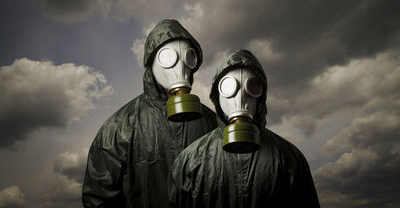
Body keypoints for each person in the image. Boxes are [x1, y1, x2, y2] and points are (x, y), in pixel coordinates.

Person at [82, 19, 217, 207]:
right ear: (151, 62)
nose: (179, 67)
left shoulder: (213, 124)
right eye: (168, 57)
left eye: (188, 57)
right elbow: (98, 198)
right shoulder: (119, 128)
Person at [168, 50, 320, 208]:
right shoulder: (189, 161)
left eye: (252, 87)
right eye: (228, 87)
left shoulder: (289, 160)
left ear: (261, 96)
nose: (240, 98)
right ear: (217, 96)